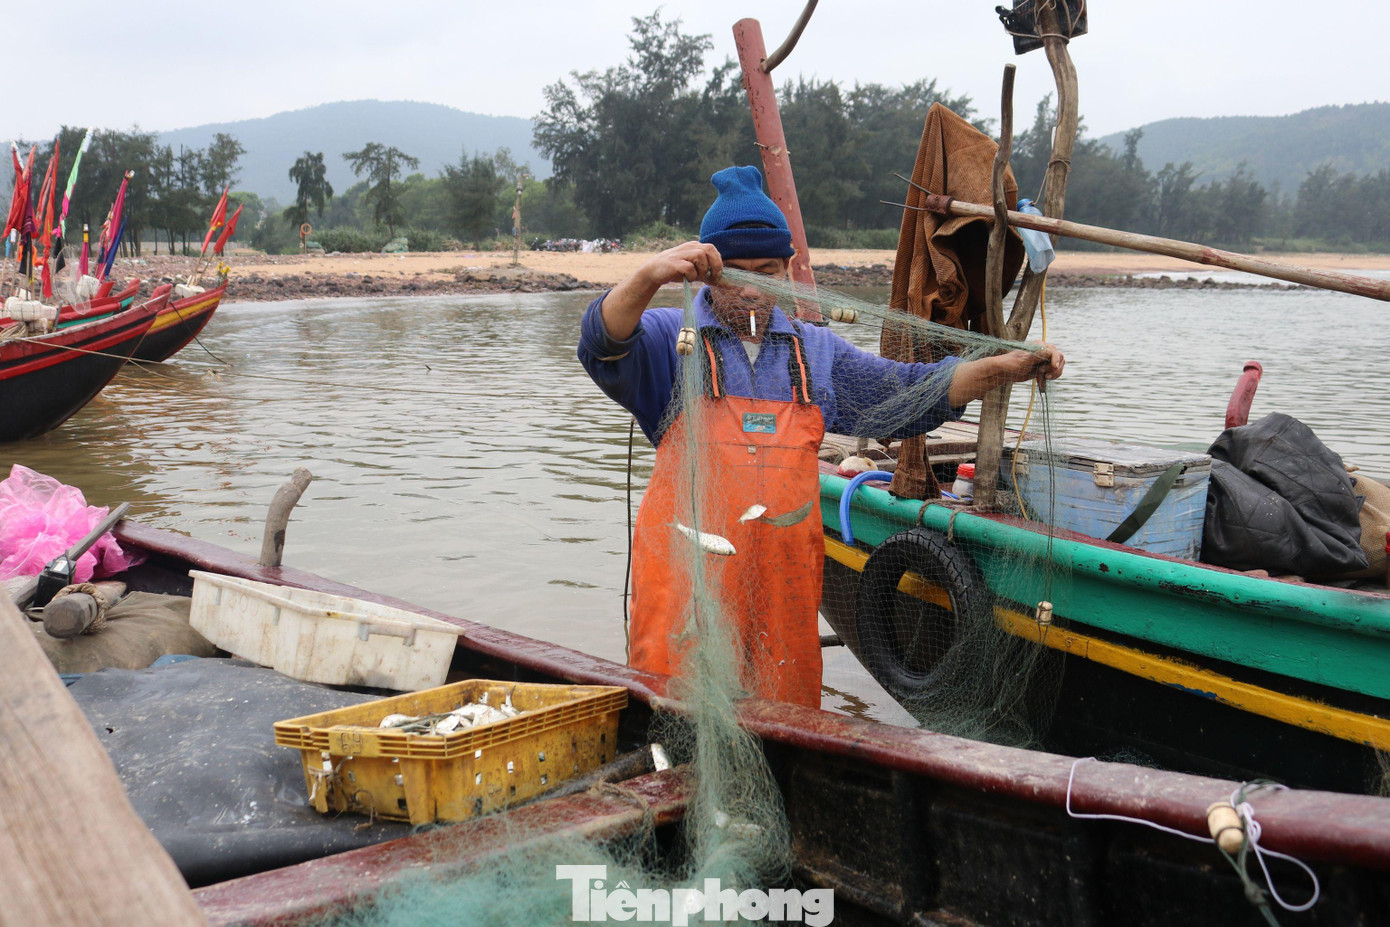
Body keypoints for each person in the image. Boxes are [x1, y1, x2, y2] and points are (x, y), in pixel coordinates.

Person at [579, 165, 1063, 707]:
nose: (750, 290)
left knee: (786, 723)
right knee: (674, 717)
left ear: (787, 270)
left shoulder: (816, 351)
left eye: (765, 270)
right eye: (734, 272)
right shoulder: (675, 340)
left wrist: (1005, 368)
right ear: (708, 273)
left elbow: (909, 393)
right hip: (686, 587)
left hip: (783, 589)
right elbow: (601, 341)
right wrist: (650, 276)